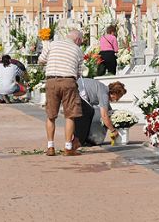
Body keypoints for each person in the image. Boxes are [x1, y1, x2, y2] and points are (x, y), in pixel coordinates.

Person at [38, 29, 84, 157]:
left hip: (51, 80)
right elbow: (79, 72)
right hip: (68, 81)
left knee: (51, 115)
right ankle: (68, 147)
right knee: (70, 115)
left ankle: (50, 147)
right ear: (78, 40)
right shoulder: (78, 50)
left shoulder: (53, 44)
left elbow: (41, 59)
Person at [74, 79, 127, 146]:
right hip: (76, 91)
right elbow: (104, 116)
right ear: (114, 93)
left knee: (88, 112)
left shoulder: (103, 89)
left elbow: (109, 110)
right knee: (87, 114)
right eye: (118, 97)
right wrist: (113, 130)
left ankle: (80, 140)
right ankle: (78, 142)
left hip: (76, 87)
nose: (117, 100)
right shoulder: (104, 94)